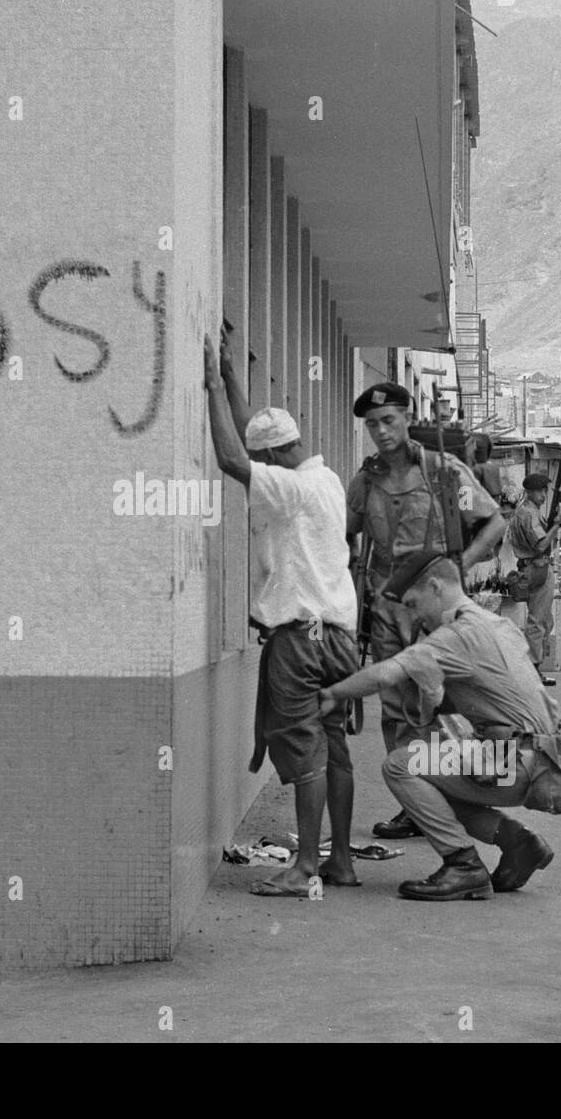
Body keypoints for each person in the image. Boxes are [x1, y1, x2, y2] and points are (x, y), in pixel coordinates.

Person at [204, 326, 358, 897]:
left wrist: (213, 388)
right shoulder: (326, 479)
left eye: (262, 458)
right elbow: (253, 441)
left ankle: (306, 869)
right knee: (335, 746)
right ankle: (340, 859)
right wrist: (235, 378)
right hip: (339, 636)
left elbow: (230, 454)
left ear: (274, 457)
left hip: (301, 640)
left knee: (305, 749)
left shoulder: (290, 489)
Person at [318, 553, 561, 901]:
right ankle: (520, 844)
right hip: (548, 759)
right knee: (435, 783)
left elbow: (385, 672)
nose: (414, 615)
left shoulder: (454, 635)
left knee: (401, 765)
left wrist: (332, 694)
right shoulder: (494, 624)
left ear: (435, 587)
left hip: (517, 760)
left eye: (414, 604)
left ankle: (463, 865)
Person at [347, 385, 506, 841]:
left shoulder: (442, 473)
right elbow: (346, 533)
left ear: (406, 418)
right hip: (386, 611)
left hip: (434, 613)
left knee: (442, 704)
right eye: (372, 425)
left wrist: (462, 563)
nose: (381, 431)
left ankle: (451, 797)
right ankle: (415, 805)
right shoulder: (367, 481)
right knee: (396, 710)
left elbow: (493, 522)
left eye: (388, 421)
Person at [506, 472, 561, 685]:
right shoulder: (528, 513)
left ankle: (533, 666)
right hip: (537, 566)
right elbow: (541, 545)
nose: (543, 495)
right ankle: (532, 670)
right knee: (537, 621)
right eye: (540, 491)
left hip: (535, 567)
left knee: (544, 620)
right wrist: (556, 526)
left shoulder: (526, 512)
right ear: (530, 492)